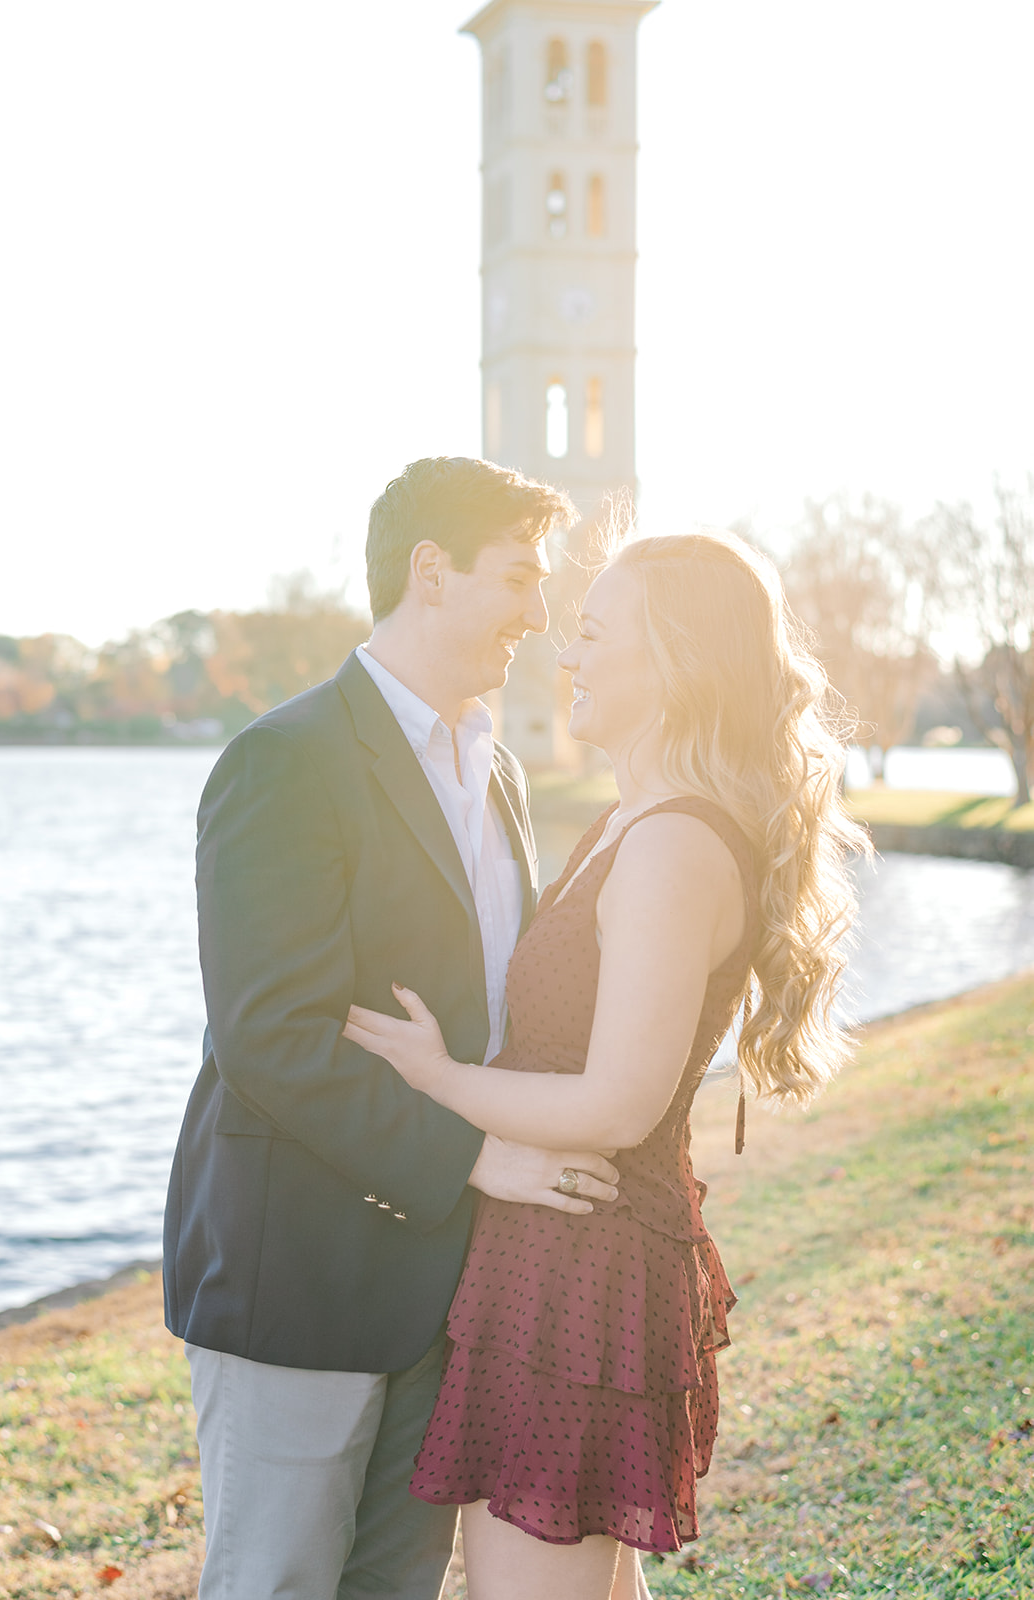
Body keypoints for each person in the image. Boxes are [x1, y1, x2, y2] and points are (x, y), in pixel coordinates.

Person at [344, 529, 867, 1600]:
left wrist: (437, 1080)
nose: (565, 657)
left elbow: (620, 1098)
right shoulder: (630, 819)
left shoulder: (675, 845)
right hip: (554, 1244)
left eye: (592, 634)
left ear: (672, 661)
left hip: (587, 1254)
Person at [162, 455, 624, 1600]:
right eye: (518, 578)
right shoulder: (286, 759)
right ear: (432, 570)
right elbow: (271, 1038)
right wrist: (480, 1156)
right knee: (276, 1583)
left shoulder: (499, 771)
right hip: (299, 1275)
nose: (537, 613)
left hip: (443, 1284)